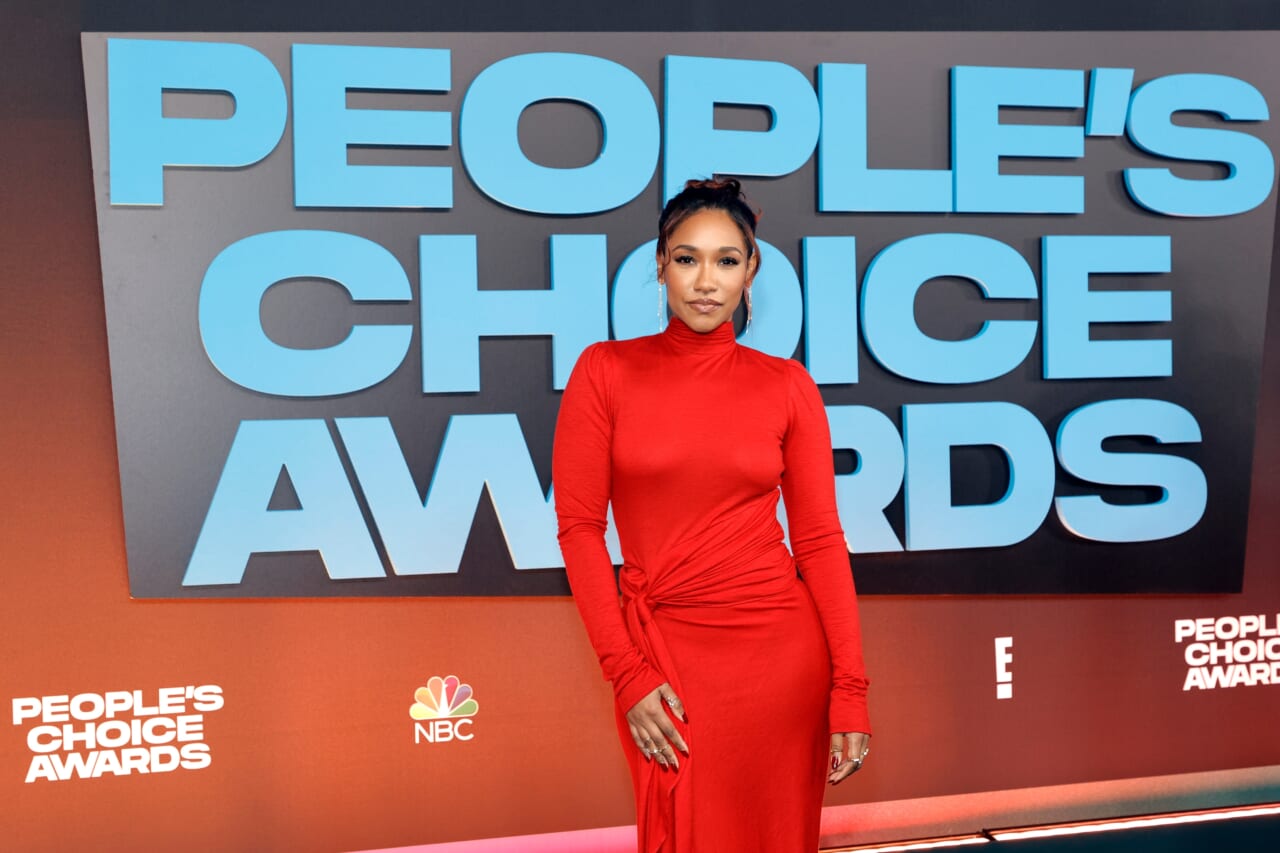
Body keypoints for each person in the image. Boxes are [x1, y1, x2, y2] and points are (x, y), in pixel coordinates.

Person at [553, 178, 871, 852]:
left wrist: (849, 688)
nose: (706, 280)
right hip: (666, 662)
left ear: (751, 269)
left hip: (782, 661)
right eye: (687, 257)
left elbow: (818, 542)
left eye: (727, 260)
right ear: (661, 263)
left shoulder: (787, 385)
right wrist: (628, 672)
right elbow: (580, 531)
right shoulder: (604, 371)